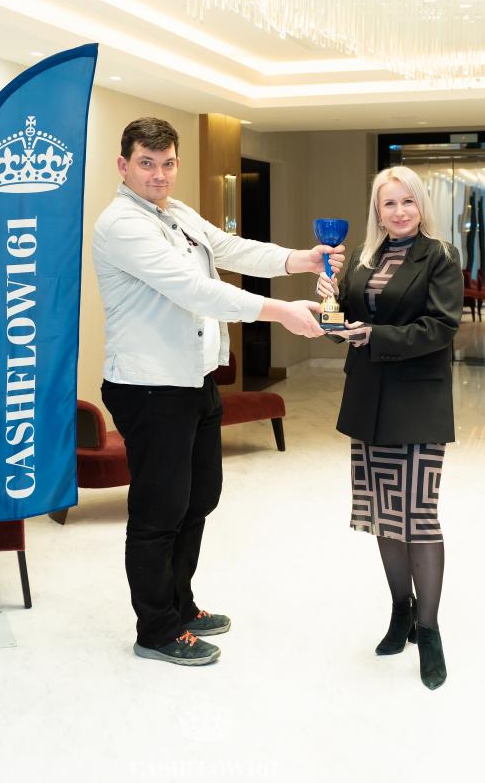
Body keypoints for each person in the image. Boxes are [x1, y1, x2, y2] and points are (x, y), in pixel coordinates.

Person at [93, 116, 344, 667]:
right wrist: (280, 311)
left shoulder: (175, 212)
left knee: (198, 498)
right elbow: (194, 290)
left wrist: (298, 260)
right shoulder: (121, 224)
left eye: (167, 163)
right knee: (159, 511)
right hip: (151, 387)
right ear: (123, 165)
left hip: (195, 380)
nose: (159, 174)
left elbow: (229, 248)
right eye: (146, 163)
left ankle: (180, 606)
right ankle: (156, 629)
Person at [317, 165, 463, 690]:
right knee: (383, 515)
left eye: (408, 201)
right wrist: (330, 303)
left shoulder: (440, 256)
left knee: (418, 516)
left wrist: (372, 335)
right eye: (389, 203)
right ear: (377, 211)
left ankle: (430, 629)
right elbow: (342, 327)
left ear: (421, 205)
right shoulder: (364, 257)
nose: (399, 211)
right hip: (369, 399)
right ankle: (401, 611)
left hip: (418, 401)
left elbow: (441, 327)